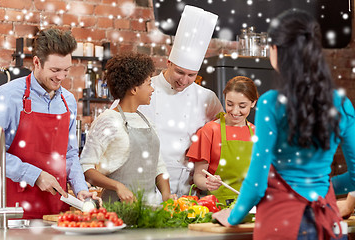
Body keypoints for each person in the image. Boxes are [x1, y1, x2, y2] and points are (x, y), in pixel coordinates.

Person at [213, 9, 355, 239]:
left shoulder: (272, 103)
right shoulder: (342, 104)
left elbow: (257, 181)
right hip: (327, 223)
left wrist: (232, 216)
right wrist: (321, 185)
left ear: (276, 50)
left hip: (283, 224)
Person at [0, 28, 97, 219]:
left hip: (57, 212)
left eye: (66, 70)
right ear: (36, 62)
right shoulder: (7, 96)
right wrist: (35, 175)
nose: (61, 77)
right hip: (15, 211)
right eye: (55, 70)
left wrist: (80, 187)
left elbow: (70, 154)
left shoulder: (68, 101)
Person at [136, 5, 224, 197]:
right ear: (169, 63)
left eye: (191, 75)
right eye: (180, 72)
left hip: (189, 189)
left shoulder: (207, 98)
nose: (184, 80)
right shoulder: (143, 91)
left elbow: (222, 137)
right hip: (150, 188)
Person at [80, 52, 175, 204]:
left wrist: (166, 194)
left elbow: (158, 166)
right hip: (116, 209)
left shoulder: (148, 122)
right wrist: (118, 186)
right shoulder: (108, 120)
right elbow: (86, 169)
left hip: (148, 212)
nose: (152, 90)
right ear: (133, 89)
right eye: (149, 84)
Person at [187, 76, 258, 204]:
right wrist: (208, 183)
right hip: (217, 205)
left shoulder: (257, 133)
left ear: (253, 103)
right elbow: (198, 176)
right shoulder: (210, 130)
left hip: (250, 204)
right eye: (229, 104)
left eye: (242, 106)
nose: (235, 111)